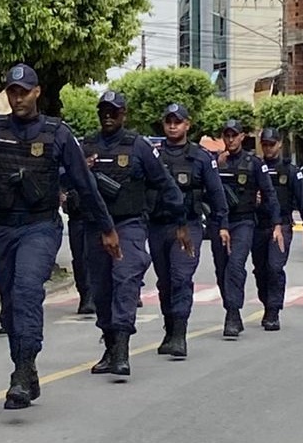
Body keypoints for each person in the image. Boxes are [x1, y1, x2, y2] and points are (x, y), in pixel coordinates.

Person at [0, 63, 118, 409]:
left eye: (24, 92)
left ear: (37, 92)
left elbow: (84, 184)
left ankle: (23, 369)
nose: (18, 98)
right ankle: (24, 368)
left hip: (39, 227)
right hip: (2, 229)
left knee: (27, 290)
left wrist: (106, 228)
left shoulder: (57, 133)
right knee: (11, 303)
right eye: (12, 92)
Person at [82, 90, 186, 378]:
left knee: (125, 280)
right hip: (95, 227)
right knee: (101, 289)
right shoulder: (86, 146)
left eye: (114, 111)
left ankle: (122, 350)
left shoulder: (138, 146)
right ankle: (110, 344)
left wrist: (180, 220)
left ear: (123, 114)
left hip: (129, 224)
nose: (108, 116)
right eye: (103, 111)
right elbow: (65, 178)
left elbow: (164, 183)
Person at [148, 103, 229, 357]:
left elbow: (216, 194)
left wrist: (222, 225)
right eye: (169, 121)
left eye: (178, 122)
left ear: (187, 124)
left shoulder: (201, 157)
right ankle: (170, 328)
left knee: (181, 278)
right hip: (158, 225)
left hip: (189, 226)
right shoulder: (153, 155)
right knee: (165, 282)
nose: (173, 126)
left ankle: (179, 335)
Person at [212, 119, 283, 338]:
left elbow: (269, 193)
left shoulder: (254, 163)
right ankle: (230, 307)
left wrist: (277, 224)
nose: (230, 139)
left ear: (242, 137)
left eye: (234, 135)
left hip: (244, 222)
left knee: (235, 265)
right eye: (227, 135)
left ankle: (233, 314)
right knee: (222, 269)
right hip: (219, 223)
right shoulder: (215, 163)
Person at [253, 127, 303, 331]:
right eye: (265, 144)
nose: (268, 148)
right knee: (260, 270)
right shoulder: (255, 167)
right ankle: (266, 303)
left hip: (283, 225)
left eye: (272, 144)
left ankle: (273, 310)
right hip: (259, 225)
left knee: (275, 267)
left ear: (279, 144)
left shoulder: (290, 171)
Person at [61, 182, 94, 315]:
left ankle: (93, 296)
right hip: (77, 215)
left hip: (99, 216)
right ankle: (86, 296)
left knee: (95, 258)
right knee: (80, 260)